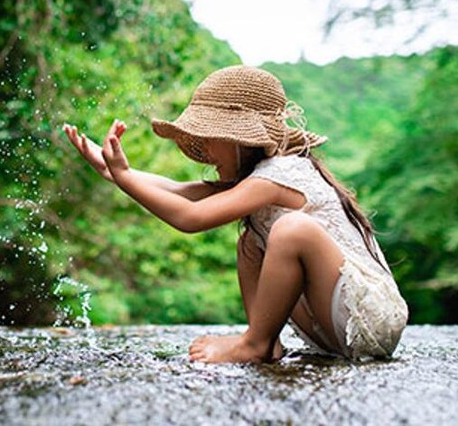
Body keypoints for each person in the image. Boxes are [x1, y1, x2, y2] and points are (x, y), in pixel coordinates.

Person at [62, 65, 408, 363]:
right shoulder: (255, 180)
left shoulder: (281, 175)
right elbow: (180, 191)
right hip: (331, 324)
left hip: (366, 321)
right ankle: (268, 343)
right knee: (250, 243)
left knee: (291, 230)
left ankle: (253, 344)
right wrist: (115, 173)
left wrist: (123, 176)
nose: (206, 149)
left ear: (243, 140)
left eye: (212, 137)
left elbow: (189, 217)